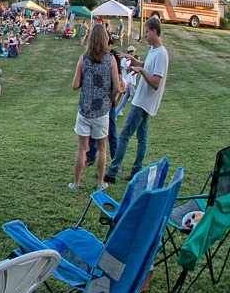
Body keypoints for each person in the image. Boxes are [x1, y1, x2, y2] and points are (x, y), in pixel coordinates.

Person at [105, 18, 170, 183]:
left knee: (125, 134)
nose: (146, 36)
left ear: (154, 31)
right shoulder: (153, 50)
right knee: (142, 137)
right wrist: (134, 62)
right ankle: (135, 173)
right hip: (143, 101)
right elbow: (147, 66)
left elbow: (156, 82)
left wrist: (141, 70)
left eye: (147, 32)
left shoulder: (161, 53)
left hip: (143, 102)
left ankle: (111, 173)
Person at [70, 24, 122, 191]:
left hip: (85, 109)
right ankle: (100, 183)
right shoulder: (111, 59)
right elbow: (116, 86)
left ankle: (76, 183)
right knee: (102, 148)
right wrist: (112, 100)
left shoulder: (83, 59)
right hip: (102, 111)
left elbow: (75, 85)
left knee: (81, 148)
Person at [114, 45, 137, 117]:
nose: (134, 53)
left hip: (128, 81)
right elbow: (120, 70)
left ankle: (115, 112)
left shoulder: (131, 60)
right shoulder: (124, 60)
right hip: (125, 80)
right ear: (130, 52)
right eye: (133, 51)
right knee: (135, 97)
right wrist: (120, 80)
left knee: (122, 97)